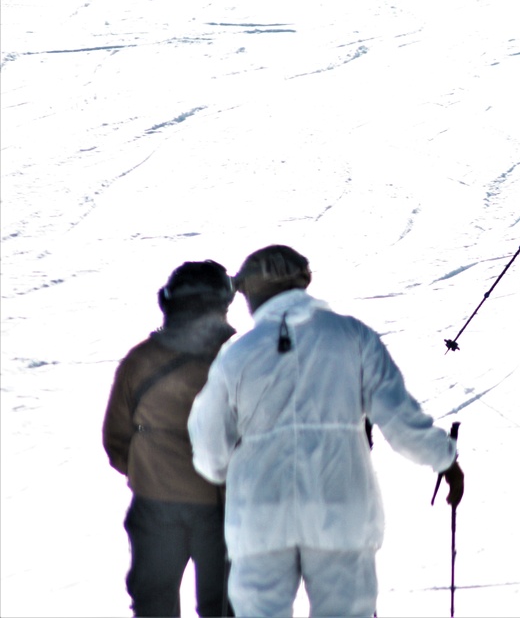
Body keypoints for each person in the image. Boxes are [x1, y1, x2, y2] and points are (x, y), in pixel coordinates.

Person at [187, 244, 464, 618]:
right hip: (341, 508)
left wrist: (224, 470)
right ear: (304, 280)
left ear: (251, 292)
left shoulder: (237, 355)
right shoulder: (352, 337)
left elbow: (208, 447)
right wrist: (443, 457)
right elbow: (399, 418)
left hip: (259, 515)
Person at [102, 260, 238, 617]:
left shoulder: (141, 360)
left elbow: (116, 438)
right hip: (225, 508)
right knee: (225, 605)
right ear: (223, 304)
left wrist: (148, 473)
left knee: (154, 603)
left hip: (155, 506)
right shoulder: (243, 359)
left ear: (168, 302)